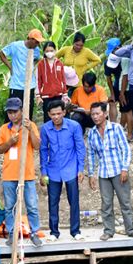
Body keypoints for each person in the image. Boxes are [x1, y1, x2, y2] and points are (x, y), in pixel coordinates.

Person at [86, 102, 133, 241]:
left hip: (118, 170)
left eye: (98, 113)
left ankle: (131, 230)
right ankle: (109, 230)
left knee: (125, 202)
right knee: (106, 203)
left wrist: (124, 169)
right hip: (103, 173)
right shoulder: (92, 133)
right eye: (93, 114)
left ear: (105, 114)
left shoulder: (116, 128)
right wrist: (91, 174)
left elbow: (125, 149)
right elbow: (91, 155)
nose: (95, 117)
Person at [0, 97, 43, 247]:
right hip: (9, 174)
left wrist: (29, 130)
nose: (12, 115)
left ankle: (34, 232)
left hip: (27, 174)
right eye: (9, 112)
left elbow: (36, 146)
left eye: (15, 112)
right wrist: (10, 141)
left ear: (21, 111)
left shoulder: (30, 125)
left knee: (32, 205)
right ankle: (11, 233)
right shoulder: (4, 128)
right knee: (10, 206)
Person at [40, 100, 84, 242]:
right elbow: (43, 150)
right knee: (53, 201)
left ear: (64, 112)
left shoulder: (74, 126)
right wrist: (43, 172)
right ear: (48, 114)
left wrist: (81, 169)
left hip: (71, 168)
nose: (56, 117)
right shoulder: (45, 128)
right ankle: (54, 232)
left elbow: (80, 148)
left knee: (74, 200)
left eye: (59, 113)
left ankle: (75, 231)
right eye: (53, 114)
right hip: (53, 170)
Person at [0, 29, 44, 119]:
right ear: (30, 39)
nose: (37, 44)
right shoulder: (16, 46)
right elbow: (1, 53)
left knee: (28, 110)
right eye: (36, 42)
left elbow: (37, 59)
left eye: (38, 42)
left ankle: (26, 131)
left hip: (30, 84)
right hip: (16, 84)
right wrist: (10, 67)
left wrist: (31, 66)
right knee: (13, 109)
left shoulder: (36, 50)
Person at [37, 41, 68, 123]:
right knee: (48, 118)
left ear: (55, 51)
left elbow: (63, 79)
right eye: (47, 51)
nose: (49, 53)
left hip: (58, 95)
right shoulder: (41, 64)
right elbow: (38, 80)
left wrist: (65, 94)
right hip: (46, 96)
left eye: (51, 50)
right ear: (44, 52)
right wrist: (38, 95)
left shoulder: (59, 63)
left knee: (58, 117)